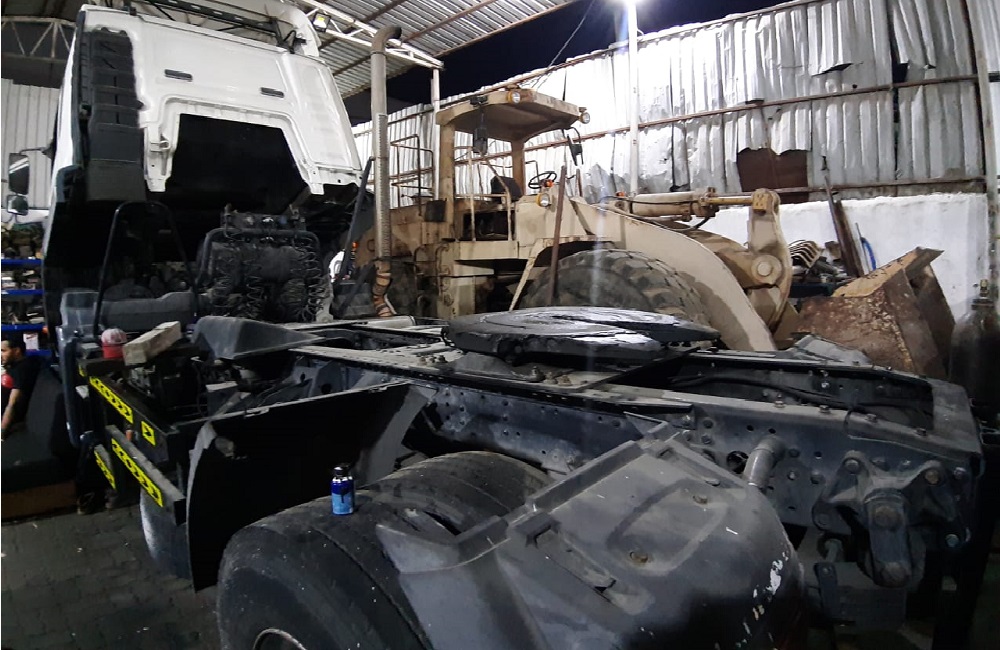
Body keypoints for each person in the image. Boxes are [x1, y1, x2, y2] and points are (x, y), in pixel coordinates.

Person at [1, 334, 43, 439]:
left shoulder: (21, 371)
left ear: (16, 351)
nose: (0, 355)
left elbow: (12, 404)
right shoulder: (15, 365)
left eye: (3, 351)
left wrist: (2, 432)